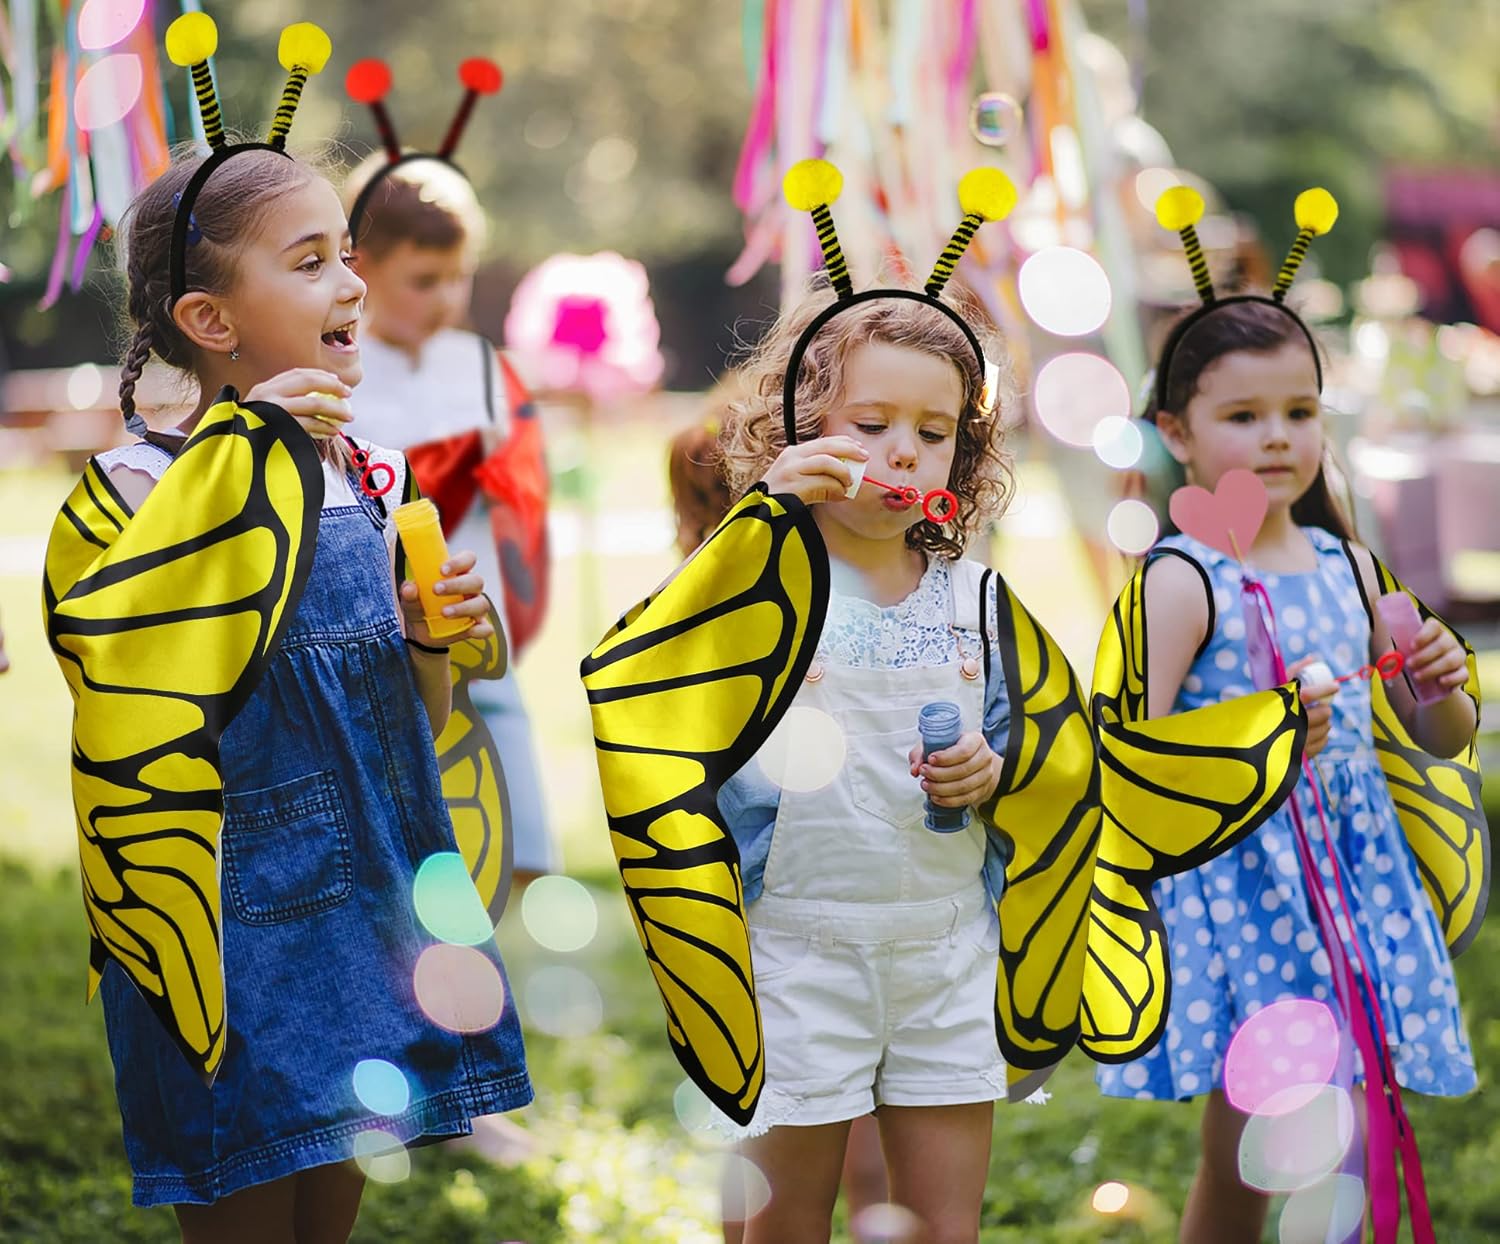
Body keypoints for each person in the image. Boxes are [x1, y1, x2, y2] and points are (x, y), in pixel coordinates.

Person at [40, 19, 531, 1241]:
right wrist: (245, 455)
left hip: (373, 890)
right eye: (311, 260)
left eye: (348, 255)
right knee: (250, 1187)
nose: (353, 284)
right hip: (233, 920)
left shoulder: (371, 477)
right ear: (211, 321)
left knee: (340, 1182)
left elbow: (410, 729)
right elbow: (139, 697)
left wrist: (431, 643)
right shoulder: (140, 495)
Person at [1095, 294, 1481, 1242]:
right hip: (1252, 891)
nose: (1277, 437)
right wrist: (1255, 743)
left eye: (1300, 412)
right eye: (1243, 416)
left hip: (1353, 879)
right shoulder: (1183, 580)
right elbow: (1138, 770)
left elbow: (1438, 735)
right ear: (1176, 433)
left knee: (1314, 1137)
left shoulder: (1347, 564)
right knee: (1280, 1144)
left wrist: (1440, 684)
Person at [665, 392, 889, 1242]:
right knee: (810, 1131)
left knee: (772, 1124)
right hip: (774, 899)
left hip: (827, 891)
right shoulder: (724, 612)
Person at [342, 152, 557, 892]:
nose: (445, 297)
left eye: (457, 277)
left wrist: (505, 460)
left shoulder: (475, 360)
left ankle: (518, 864)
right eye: (423, 280)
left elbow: (521, 475)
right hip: (379, 599)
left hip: (472, 588)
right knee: (400, 727)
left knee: (494, 706)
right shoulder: (345, 362)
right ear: (361, 267)